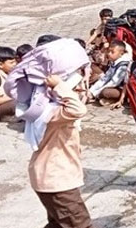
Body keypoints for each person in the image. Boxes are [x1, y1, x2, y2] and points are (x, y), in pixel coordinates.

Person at [29, 73, 91, 228]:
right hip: (57, 181)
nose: (81, 89)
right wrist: (59, 85)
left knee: (58, 224)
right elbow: (78, 110)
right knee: (80, 224)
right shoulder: (52, 113)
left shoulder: (49, 109)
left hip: (52, 178)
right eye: (75, 86)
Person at [88, 40, 130, 105]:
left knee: (105, 92)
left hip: (122, 89)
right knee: (98, 82)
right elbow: (105, 78)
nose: (109, 54)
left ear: (121, 54)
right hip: (113, 86)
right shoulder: (114, 61)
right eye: (109, 51)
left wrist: (95, 93)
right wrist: (91, 91)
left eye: (112, 52)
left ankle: (116, 99)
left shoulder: (123, 65)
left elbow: (114, 82)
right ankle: (106, 99)